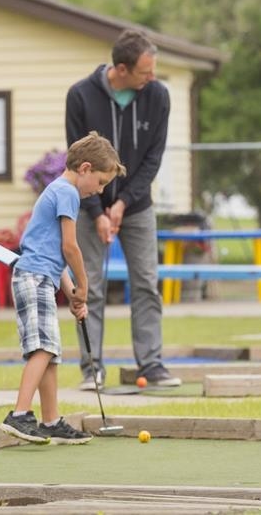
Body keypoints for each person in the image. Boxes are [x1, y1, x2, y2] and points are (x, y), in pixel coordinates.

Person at [65, 29, 181, 390]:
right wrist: (100, 209)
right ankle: (92, 369)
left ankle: (151, 363)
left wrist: (123, 202)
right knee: (91, 286)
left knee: (146, 282)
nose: (152, 78)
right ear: (121, 68)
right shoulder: (81, 95)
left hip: (138, 205)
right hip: (88, 207)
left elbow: (153, 158)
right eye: (145, 72)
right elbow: (78, 161)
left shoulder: (158, 96)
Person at [0, 132, 125, 445]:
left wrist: (72, 293)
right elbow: (70, 247)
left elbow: (57, 256)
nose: (99, 191)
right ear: (84, 168)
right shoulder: (67, 192)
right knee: (41, 348)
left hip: (42, 275)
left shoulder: (59, 190)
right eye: (99, 183)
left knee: (50, 352)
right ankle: (19, 414)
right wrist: (85, 285)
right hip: (34, 276)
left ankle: (51, 419)